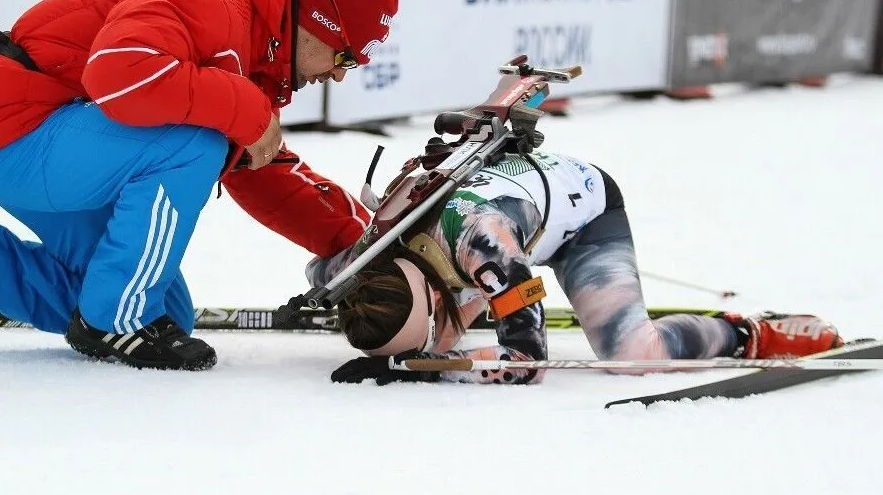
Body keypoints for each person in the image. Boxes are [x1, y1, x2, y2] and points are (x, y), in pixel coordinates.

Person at [0, 0, 403, 371]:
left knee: (165, 309)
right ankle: (116, 320)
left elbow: (259, 167)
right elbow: (117, 71)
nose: (339, 72)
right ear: (319, 20)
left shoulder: (253, 40)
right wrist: (245, 111)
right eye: (345, 55)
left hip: (43, 144)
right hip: (20, 130)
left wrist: (363, 240)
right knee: (194, 144)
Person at [306, 149, 844, 385]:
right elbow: (323, 272)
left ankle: (751, 332)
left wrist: (419, 369)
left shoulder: (485, 248)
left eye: (421, 333)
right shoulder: (371, 257)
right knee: (444, 340)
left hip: (585, 217)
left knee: (634, 355)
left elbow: (528, 361)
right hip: (510, 216)